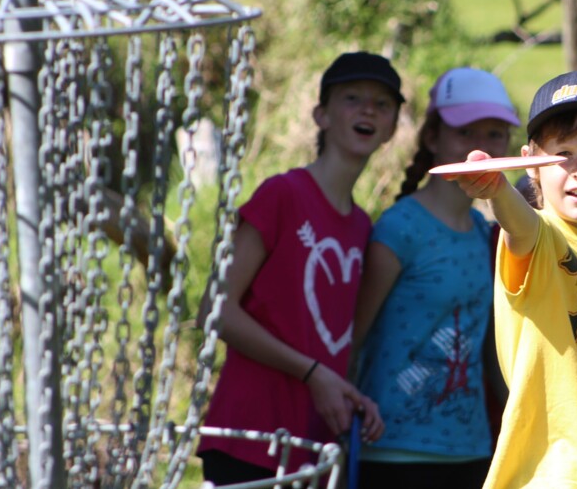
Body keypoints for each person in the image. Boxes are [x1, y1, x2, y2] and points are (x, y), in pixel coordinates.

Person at [195, 51, 399, 485]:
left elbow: (331, 342)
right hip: (248, 436)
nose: (368, 110)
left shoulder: (363, 226)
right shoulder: (281, 195)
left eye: (383, 104)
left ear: (393, 128)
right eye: (352, 98)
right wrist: (312, 373)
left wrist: (350, 395)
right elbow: (215, 311)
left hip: (312, 448)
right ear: (321, 115)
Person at [450, 70, 577, 488]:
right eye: (562, 155)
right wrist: (496, 188)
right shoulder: (538, 239)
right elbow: (519, 222)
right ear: (531, 163)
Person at [350, 67, 518, 489]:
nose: (481, 148)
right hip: (393, 448)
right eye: (466, 132)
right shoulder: (399, 228)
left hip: (472, 451)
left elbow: (490, 352)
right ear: (431, 137)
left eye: (495, 133)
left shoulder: (488, 236)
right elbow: (353, 340)